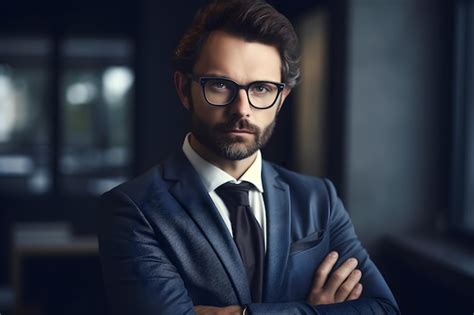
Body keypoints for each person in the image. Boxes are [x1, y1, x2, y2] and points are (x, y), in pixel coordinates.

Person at [98, 0, 399, 314]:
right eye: (220, 85)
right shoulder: (132, 209)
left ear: (281, 98)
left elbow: (383, 309)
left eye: (262, 89)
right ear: (184, 89)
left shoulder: (319, 199)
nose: (242, 109)